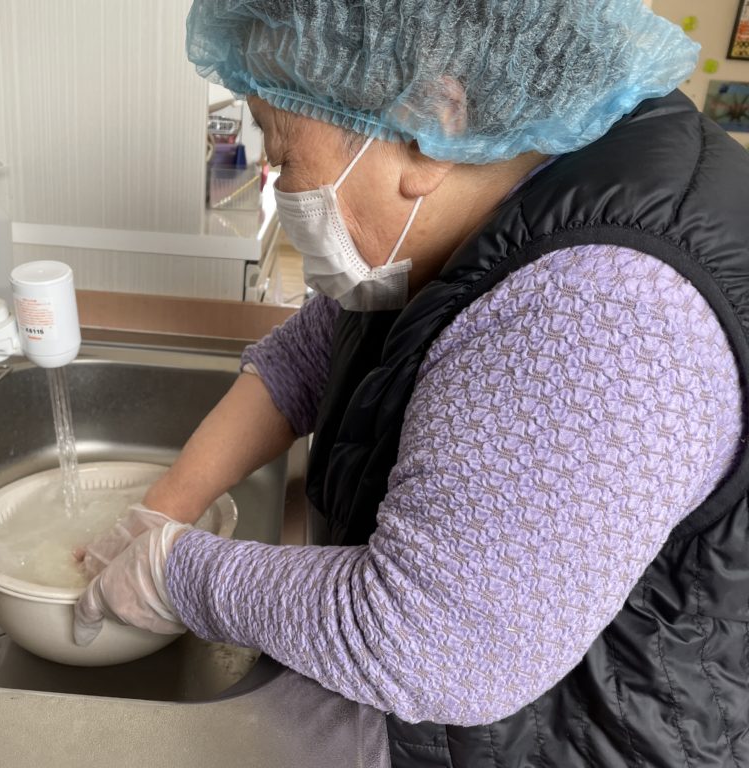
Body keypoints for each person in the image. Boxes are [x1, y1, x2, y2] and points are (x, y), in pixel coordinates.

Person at [75, 1, 749, 765]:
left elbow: (437, 642)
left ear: (429, 121)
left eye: (281, 147)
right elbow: (307, 359)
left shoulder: (606, 310)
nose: (273, 178)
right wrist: (164, 508)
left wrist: (177, 573)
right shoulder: (491, 192)